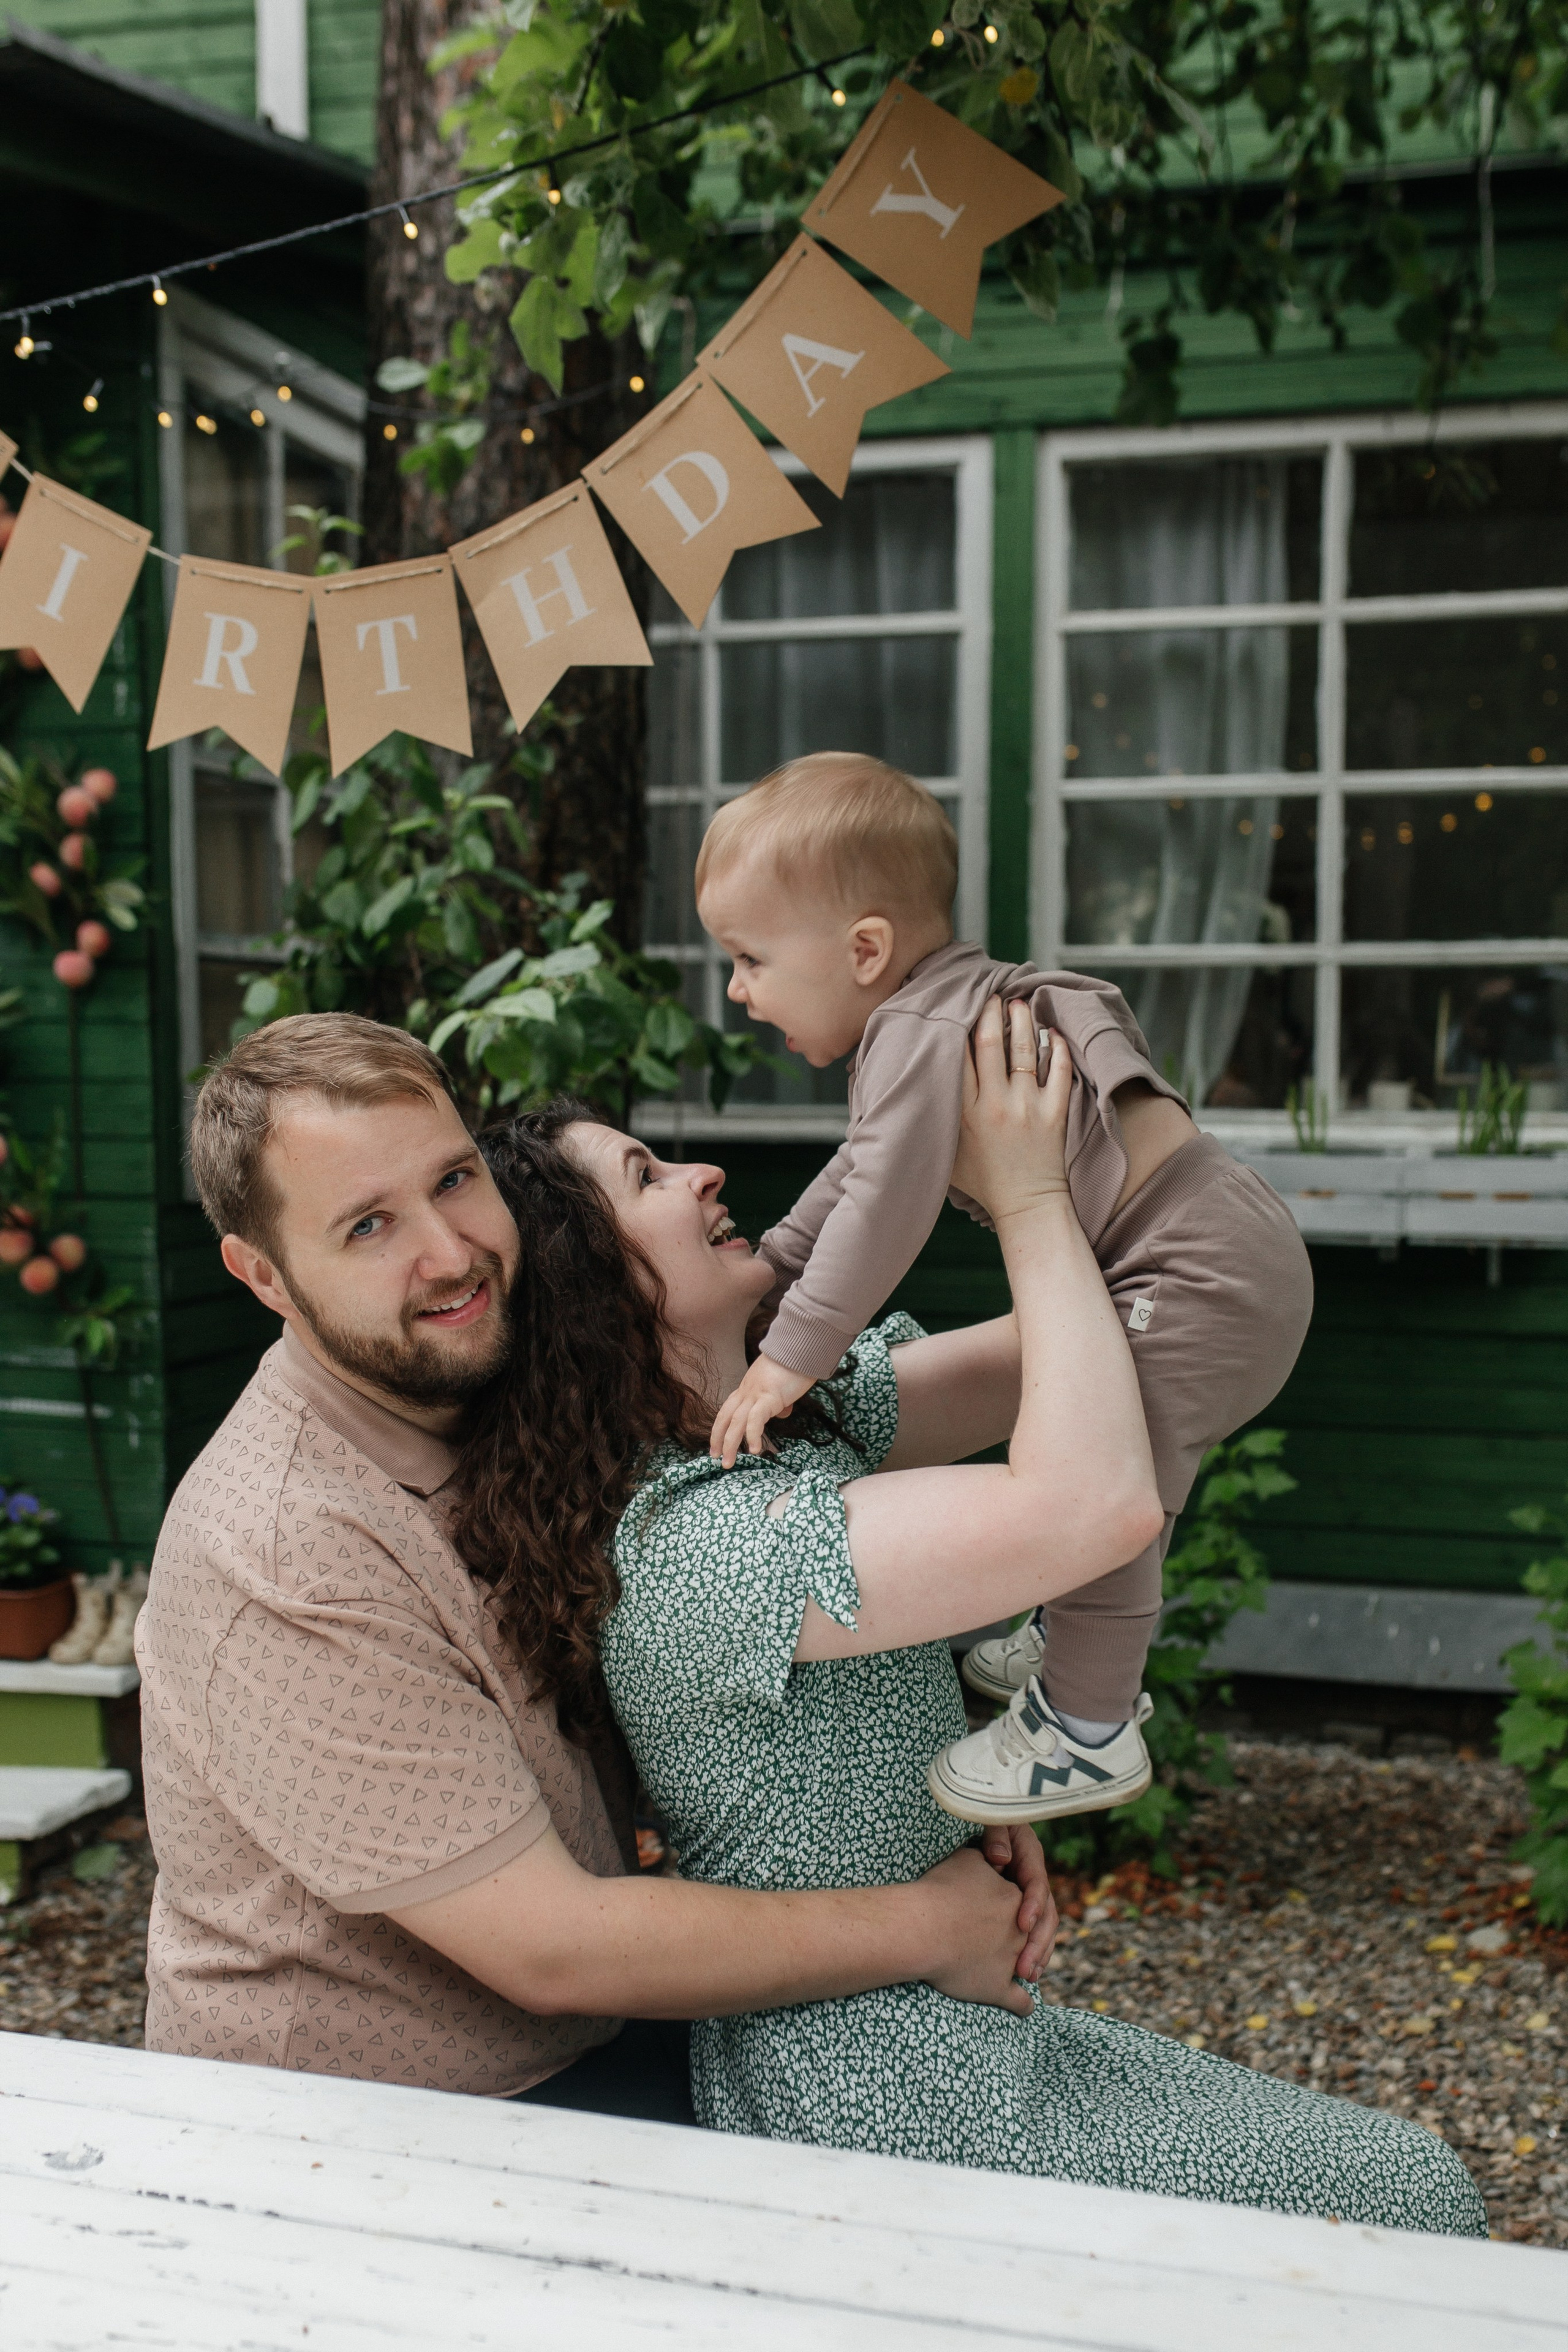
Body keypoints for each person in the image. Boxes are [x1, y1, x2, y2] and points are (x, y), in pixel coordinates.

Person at [450, 1004, 1484, 2234]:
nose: (702, 1172)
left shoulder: (787, 1421)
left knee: (1401, 2194)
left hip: (965, 2024)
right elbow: (1094, 1503)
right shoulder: (696, 1547)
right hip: (880, 2096)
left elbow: (1130, 1337)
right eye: (647, 1176)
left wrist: (1112, 1153)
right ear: (588, 1283)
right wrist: (1033, 1201)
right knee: (1409, 2201)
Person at [136, 1014, 1054, 2120]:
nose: (452, 1251)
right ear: (264, 1275)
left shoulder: (517, 1385)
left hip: (597, 2043)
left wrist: (924, 1797)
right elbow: (552, 1948)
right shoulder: (286, 1551)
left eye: (455, 1180)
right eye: (369, 1224)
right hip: (379, 2126)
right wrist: (924, 1921)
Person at [694, 752, 1314, 1826]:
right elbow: (854, 1173)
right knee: (1115, 1464)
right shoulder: (935, 1017)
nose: (738, 991)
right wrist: (774, 1269)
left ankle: (1086, 1726)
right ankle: (1083, 1630)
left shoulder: (917, 1033)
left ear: (865, 949)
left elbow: (886, 1204)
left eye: (749, 958)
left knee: (1116, 1494)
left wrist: (794, 1350)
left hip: (1193, 1267)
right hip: (1212, 1242)